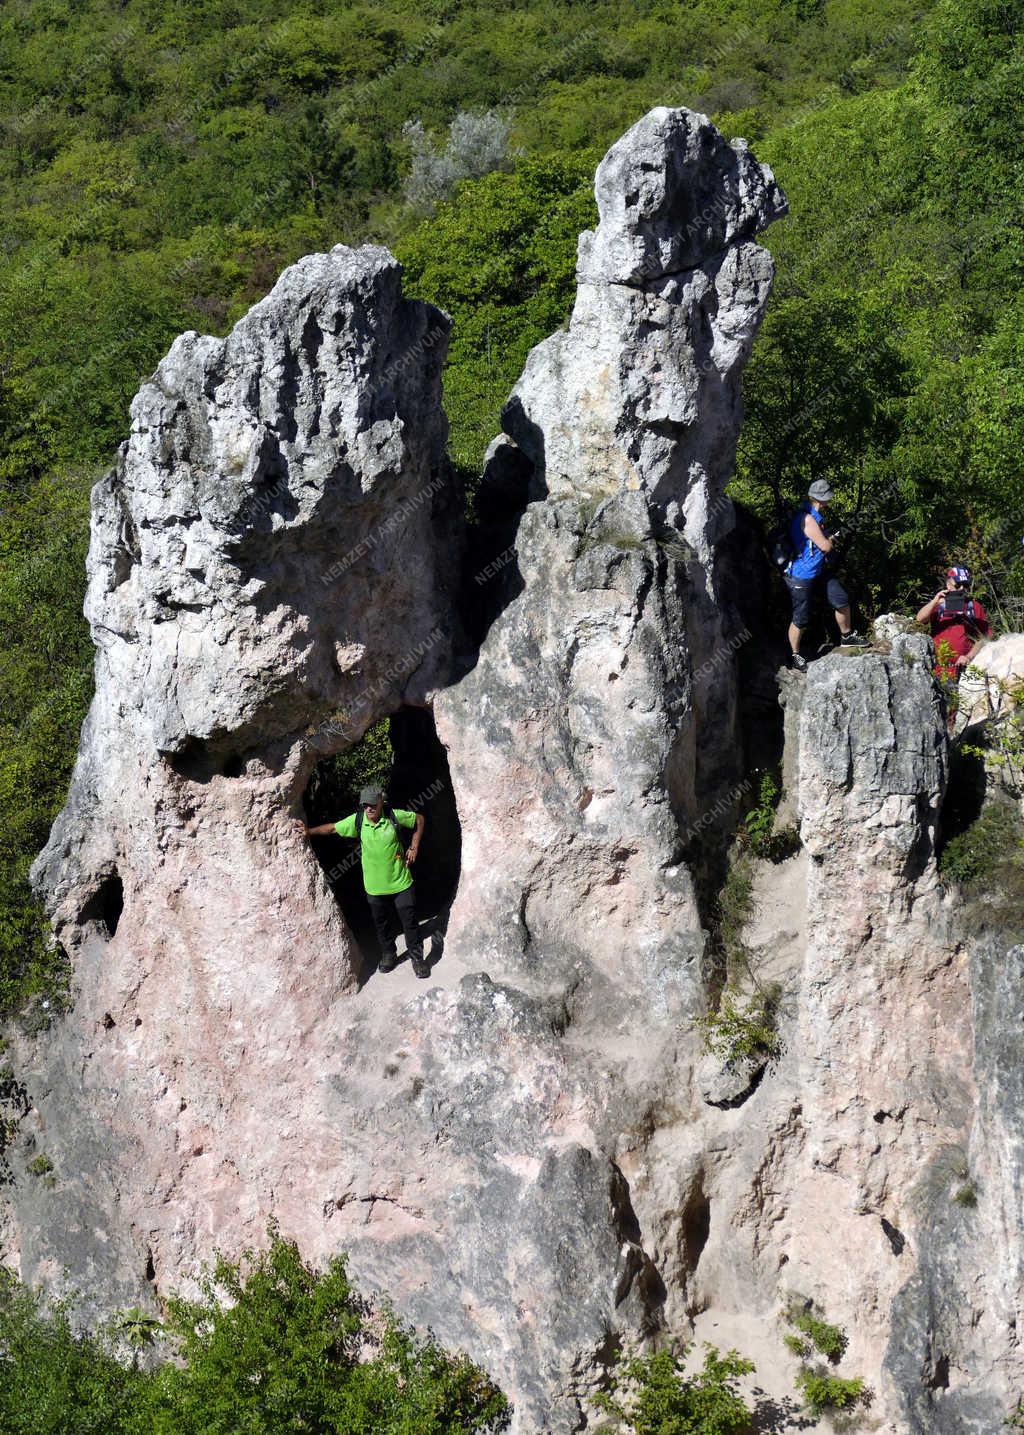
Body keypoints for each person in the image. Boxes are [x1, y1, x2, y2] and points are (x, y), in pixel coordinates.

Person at [296, 785, 428, 978]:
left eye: (373, 804)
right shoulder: (357, 821)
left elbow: (419, 819)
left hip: (401, 882)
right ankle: (389, 955)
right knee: (382, 924)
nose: (369, 808)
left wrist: (414, 846)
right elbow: (332, 828)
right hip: (374, 886)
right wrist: (308, 831)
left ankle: (418, 959)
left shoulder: (393, 816)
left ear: (381, 802)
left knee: (409, 923)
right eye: (365, 804)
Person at [785, 479, 865, 672]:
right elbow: (825, 546)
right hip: (801, 575)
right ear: (821, 500)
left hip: (818, 571)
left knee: (840, 598)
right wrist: (831, 538)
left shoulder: (814, 515)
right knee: (800, 618)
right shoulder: (808, 519)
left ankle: (846, 636)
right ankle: (795, 655)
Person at [915, 566, 991, 682]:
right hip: (939, 671)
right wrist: (935, 601)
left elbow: (984, 637)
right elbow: (920, 619)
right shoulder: (938, 605)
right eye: (958, 584)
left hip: (966, 672)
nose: (962, 588)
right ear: (948, 584)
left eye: (965, 585)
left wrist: (968, 657)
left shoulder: (974, 606)